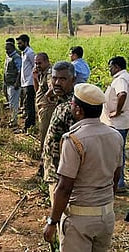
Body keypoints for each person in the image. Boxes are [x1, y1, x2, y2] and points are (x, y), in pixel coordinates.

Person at [43, 83, 123, 252]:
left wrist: (52, 222)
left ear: (78, 110)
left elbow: (64, 187)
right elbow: (116, 176)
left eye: (72, 104)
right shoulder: (116, 136)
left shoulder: (74, 140)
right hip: (107, 216)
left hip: (80, 219)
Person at [42, 61, 76, 204]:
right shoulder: (61, 103)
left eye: (63, 79)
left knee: (61, 217)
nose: (57, 83)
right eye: (54, 78)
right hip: (54, 170)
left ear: (73, 80)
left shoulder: (73, 108)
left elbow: (76, 145)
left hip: (62, 176)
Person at [100, 56, 129, 193]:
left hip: (117, 123)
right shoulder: (124, 77)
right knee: (118, 152)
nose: (109, 69)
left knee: (116, 153)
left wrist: (116, 112)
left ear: (117, 67)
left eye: (110, 67)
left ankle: (119, 183)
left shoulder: (121, 79)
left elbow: (122, 94)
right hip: (121, 122)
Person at [33, 53, 55, 151]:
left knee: (46, 135)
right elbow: (38, 90)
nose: (37, 66)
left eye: (39, 63)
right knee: (42, 132)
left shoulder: (49, 73)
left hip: (47, 109)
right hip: (42, 109)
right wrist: (35, 78)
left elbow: (52, 86)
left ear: (47, 61)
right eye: (36, 63)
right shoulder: (42, 73)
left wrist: (47, 96)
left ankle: (44, 157)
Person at [16, 34, 36, 131]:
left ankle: (29, 126)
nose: (18, 45)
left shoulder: (30, 53)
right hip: (25, 83)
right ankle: (29, 125)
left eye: (20, 43)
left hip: (30, 83)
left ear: (26, 43)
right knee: (26, 105)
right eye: (18, 44)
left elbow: (35, 67)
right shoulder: (24, 53)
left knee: (29, 106)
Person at [3, 40, 21, 127]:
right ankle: (12, 119)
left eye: (8, 49)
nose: (7, 51)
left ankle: (14, 121)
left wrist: (17, 83)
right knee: (11, 103)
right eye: (6, 49)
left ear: (13, 48)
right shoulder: (8, 57)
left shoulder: (16, 57)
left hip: (14, 84)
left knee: (14, 104)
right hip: (8, 83)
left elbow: (19, 71)